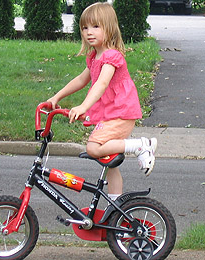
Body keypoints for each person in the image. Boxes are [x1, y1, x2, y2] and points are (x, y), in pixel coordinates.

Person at [47, 2, 157, 202]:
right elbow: (81, 80)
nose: (89, 32)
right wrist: (57, 97)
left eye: (96, 26)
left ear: (110, 28)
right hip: (112, 113)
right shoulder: (94, 56)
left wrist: (83, 106)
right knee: (109, 164)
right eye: (85, 27)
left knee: (94, 147)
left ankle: (141, 145)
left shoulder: (112, 56)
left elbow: (102, 83)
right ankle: (115, 208)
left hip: (121, 113)